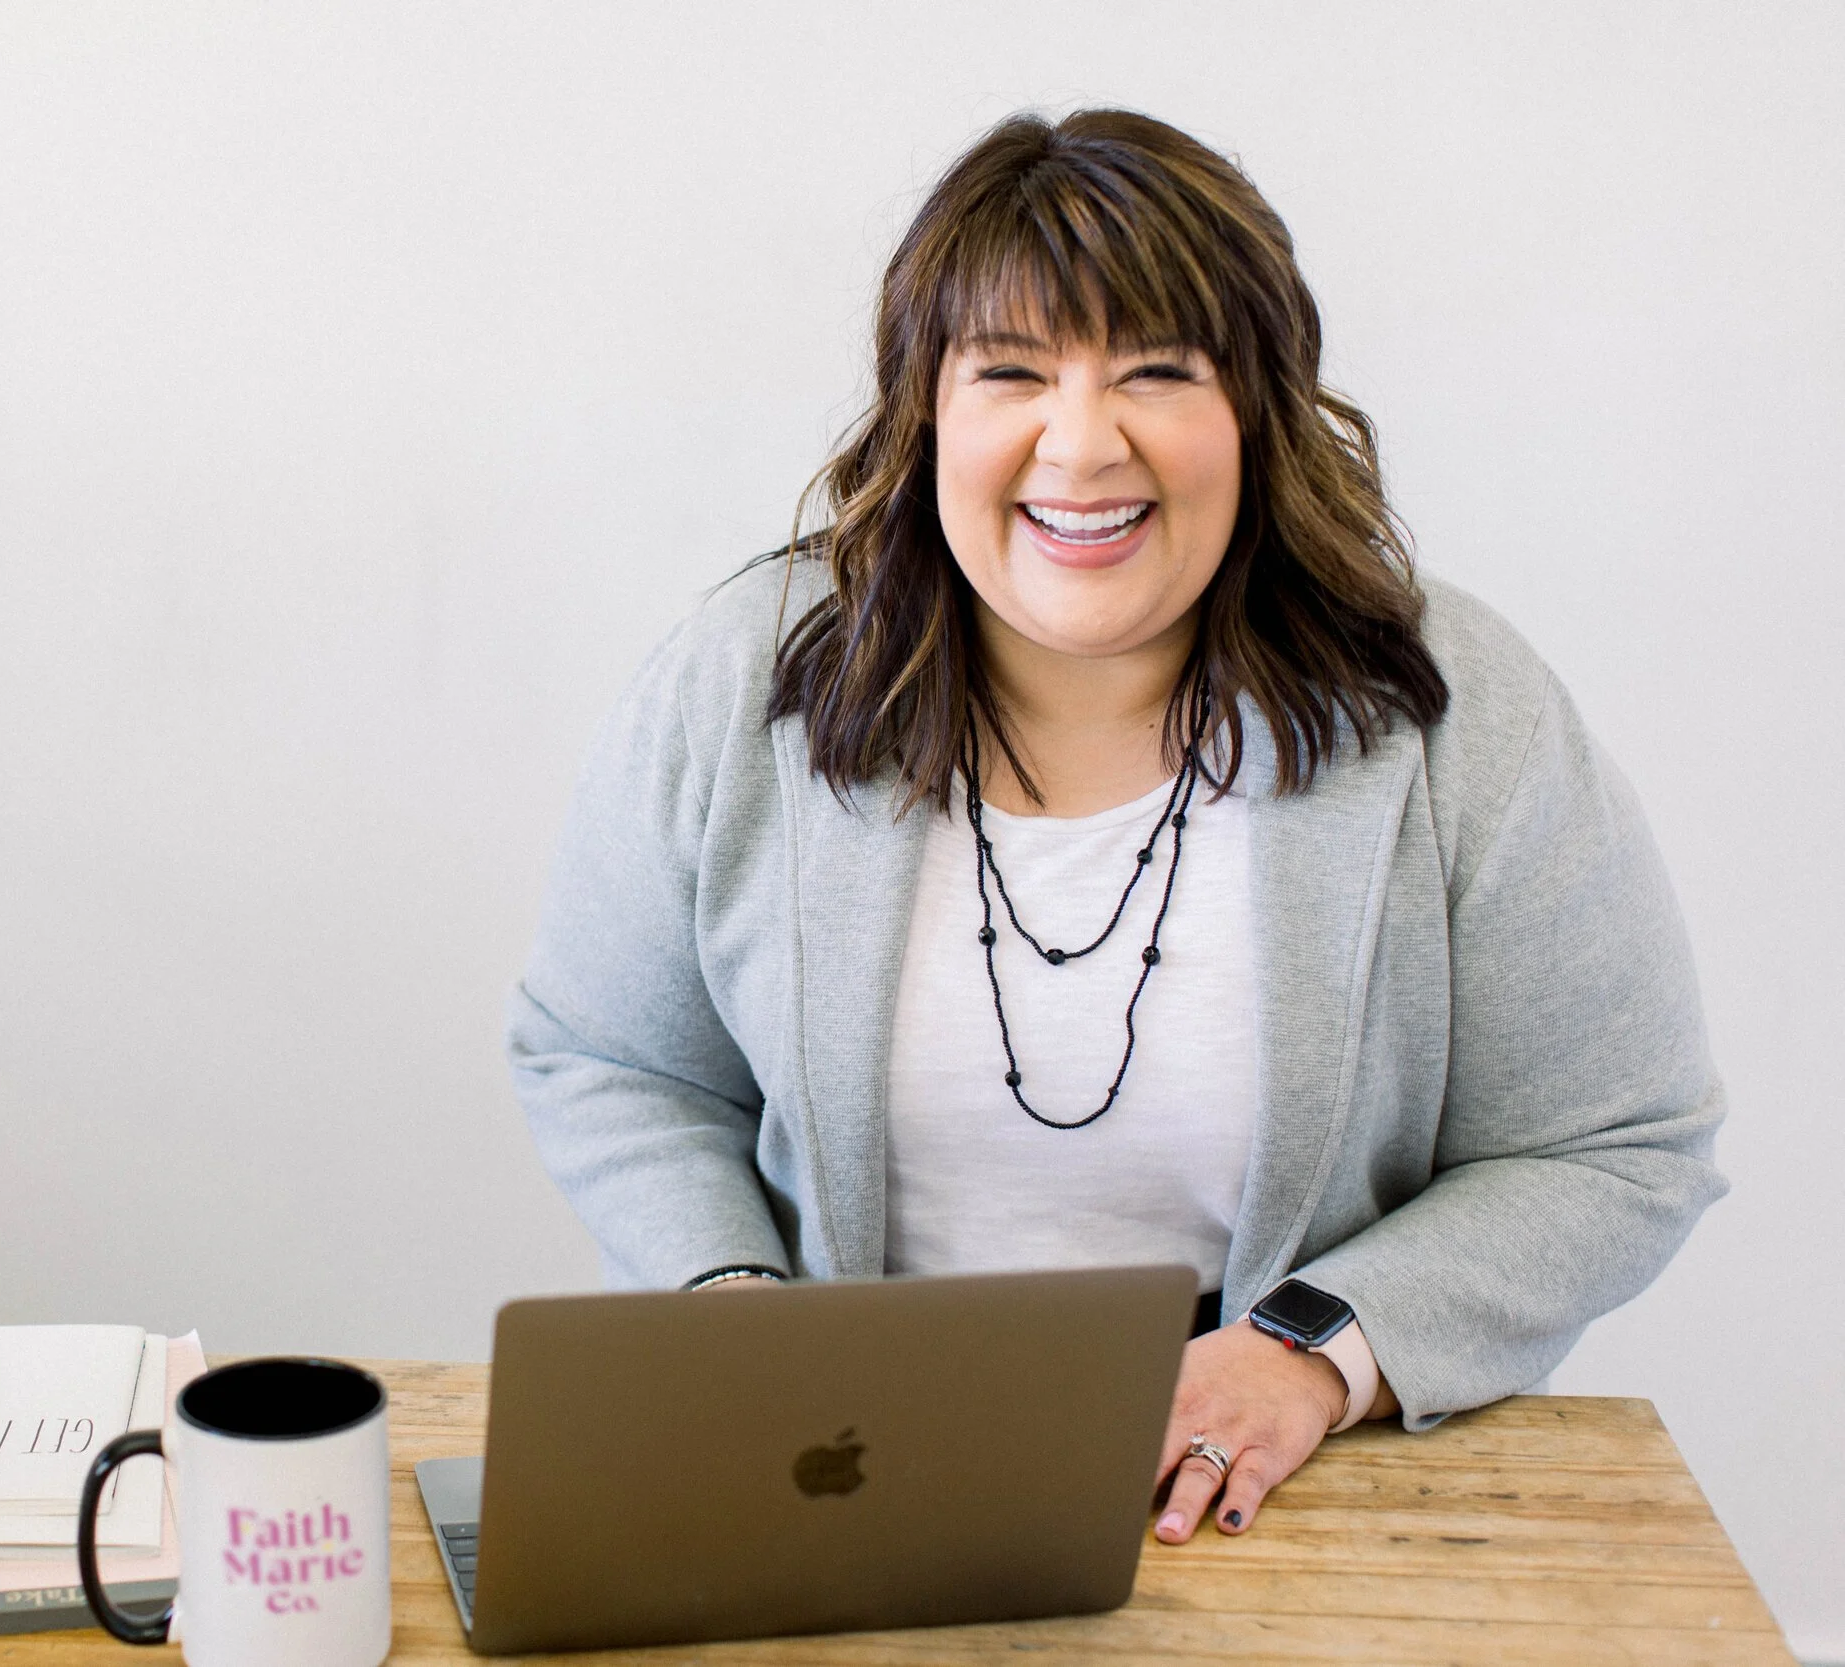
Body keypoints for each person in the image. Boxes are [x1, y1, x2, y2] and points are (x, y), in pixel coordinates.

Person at [504, 109, 1725, 1545]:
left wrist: (1312, 1351)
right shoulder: (743, 678)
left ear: (1259, 413)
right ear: (927, 411)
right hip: (827, 1466)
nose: (1081, 446)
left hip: (1276, 1492)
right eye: (1011, 371)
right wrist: (732, 1311)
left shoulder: (1453, 708)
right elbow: (609, 1060)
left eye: (1158, 370)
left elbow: (1618, 1143)